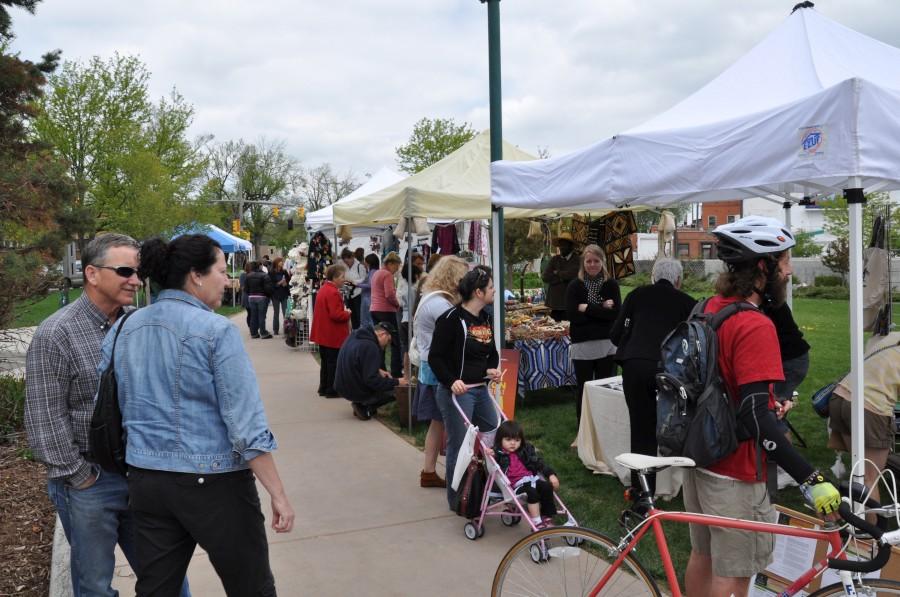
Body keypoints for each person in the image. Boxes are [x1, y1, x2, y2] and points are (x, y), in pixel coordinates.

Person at [99, 234, 294, 595]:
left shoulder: (125, 328)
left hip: (147, 479)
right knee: (251, 586)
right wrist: (278, 493)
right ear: (196, 276)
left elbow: (110, 397)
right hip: (214, 481)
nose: (228, 280)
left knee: (157, 589)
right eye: (221, 271)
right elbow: (246, 424)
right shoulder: (215, 330)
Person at [683, 216, 840, 597]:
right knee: (733, 572)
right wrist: (811, 479)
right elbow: (753, 415)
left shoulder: (707, 307)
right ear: (763, 268)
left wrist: (766, 406)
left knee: (702, 555)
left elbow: (725, 385)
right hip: (735, 468)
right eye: (784, 261)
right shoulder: (755, 325)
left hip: (700, 456)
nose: (789, 271)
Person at [24, 234, 188, 597]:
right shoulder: (56, 334)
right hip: (89, 482)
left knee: (168, 578)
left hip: (142, 476)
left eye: (139, 271)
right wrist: (81, 478)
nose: (136, 279)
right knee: (95, 587)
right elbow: (44, 419)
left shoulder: (139, 324)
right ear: (92, 274)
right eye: (125, 270)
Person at [610, 257, 696, 499]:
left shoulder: (636, 295)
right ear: (678, 280)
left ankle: (642, 491)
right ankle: (679, 483)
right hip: (669, 370)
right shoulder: (687, 302)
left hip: (635, 365)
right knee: (674, 428)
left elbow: (616, 335)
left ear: (653, 276)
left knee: (641, 430)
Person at [429, 268, 502, 510]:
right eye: (490, 287)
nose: (494, 290)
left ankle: (491, 486)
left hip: (480, 390)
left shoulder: (486, 317)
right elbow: (436, 358)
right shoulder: (450, 319)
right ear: (478, 292)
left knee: (494, 432)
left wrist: (492, 369)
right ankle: (456, 498)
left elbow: (492, 353)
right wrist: (451, 381)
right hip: (457, 393)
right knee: (460, 445)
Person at [412, 255, 468, 488]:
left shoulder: (431, 298)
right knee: (449, 424)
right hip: (437, 371)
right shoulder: (441, 305)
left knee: (438, 423)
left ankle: (429, 471)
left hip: (429, 367)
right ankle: (449, 475)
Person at [828, 330, 900, 505]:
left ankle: (854, 524)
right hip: (870, 405)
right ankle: (868, 531)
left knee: (859, 470)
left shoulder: (893, 336)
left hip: (841, 396)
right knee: (869, 477)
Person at [565, 244, 621, 426]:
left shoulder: (611, 284)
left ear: (602, 262)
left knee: (606, 387)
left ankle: (605, 425)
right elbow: (572, 316)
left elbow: (615, 315)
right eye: (588, 261)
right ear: (583, 263)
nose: (592, 264)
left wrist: (587, 308)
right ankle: (584, 427)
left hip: (606, 344)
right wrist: (601, 309)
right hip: (583, 345)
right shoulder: (575, 286)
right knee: (585, 388)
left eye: (596, 261)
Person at [493, 420, 560, 528]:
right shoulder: (499, 454)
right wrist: (492, 454)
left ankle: (546, 516)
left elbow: (538, 462)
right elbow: (494, 457)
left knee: (547, 486)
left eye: (517, 440)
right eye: (508, 439)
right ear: (500, 440)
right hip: (517, 486)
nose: (513, 443)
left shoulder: (524, 452)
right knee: (531, 493)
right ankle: (537, 522)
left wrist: (551, 474)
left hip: (531, 479)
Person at [334, 322, 407, 420]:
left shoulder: (356, 335)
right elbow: (372, 380)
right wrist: (398, 381)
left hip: (341, 385)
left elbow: (357, 360)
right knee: (394, 390)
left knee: (383, 378)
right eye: (389, 340)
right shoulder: (371, 347)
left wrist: (377, 369)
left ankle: (361, 401)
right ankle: (364, 405)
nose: (388, 345)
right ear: (382, 334)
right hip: (352, 388)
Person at [310, 264, 351, 398]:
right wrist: (347, 313)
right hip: (332, 334)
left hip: (324, 333)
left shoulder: (324, 289)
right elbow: (336, 314)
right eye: (342, 277)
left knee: (326, 362)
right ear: (334, 278)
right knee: (333, 362)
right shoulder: (333, 292)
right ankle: (331, 389)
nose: (344, 279)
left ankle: (324, 387)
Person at [370, 251, 403, 377]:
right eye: (396, 265)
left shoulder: (376, 273)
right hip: (386, 310)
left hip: (374, 309)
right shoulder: (387, 274)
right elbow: (389, 294)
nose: (397, 269)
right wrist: (397, 304)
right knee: (394, 342)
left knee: (379, 341)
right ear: (390, 263)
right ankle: (396, 372)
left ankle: (379, 368)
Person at [541, 231, 580, 322]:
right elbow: (545, 277)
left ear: (571, 246)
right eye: (560, 245)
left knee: (567, 331)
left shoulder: (577, 259)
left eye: (564, 245)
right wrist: (562, 278)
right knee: (554, 331)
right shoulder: (555, 259)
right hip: (554, 305)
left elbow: (573, 275)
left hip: (569, 304)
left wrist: (557, 272)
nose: (561, 247)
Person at [397, 263, 423, 377]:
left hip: (404, 319)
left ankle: (406, 375)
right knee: (415, 348)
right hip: (412, 321)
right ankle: (414, 374)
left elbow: (402, 304)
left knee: (406, 349)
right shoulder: (412, 290)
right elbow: (414, 307)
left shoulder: (403, 288)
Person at [245, 260, 273, 339]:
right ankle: (263, 332)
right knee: (261, 316)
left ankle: (254, 333)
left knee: (253, 315)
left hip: (251, 297)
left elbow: (246, 289)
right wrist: (268, 295)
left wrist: (250, 293)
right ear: (260, 266)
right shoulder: (264, 275)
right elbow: (268, 288)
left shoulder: (248, 276)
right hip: (261, 297)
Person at [341, 248, 366, 329]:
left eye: (347, 261)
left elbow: (364, 280)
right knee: (351, 316)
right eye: (345, 262)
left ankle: (360, 332)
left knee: (359, 316)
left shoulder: (360, 266)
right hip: (348, 294)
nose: (347, 263)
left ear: (352, 258)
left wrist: (353, 282)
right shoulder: (344, 267)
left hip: (358, 294)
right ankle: (355, 332)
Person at [268, 256, 292, 335]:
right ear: (276, 263)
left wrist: (286, 284)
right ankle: (276, 330)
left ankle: (286, 329)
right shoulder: (271, 272)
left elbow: (289, 281)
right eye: (280, 261)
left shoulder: (284, 271)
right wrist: (279, 283)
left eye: (282, 261)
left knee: (285, 313)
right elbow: (271, 284)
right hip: (275, 295)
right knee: (276, 313)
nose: (282, 263)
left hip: (284, 294)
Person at [358, 253, 379, 329]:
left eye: (365, 261)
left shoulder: (372, 272)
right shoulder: (374, 271)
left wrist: (357, 284)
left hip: (368, 299)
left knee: (367, 320)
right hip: (368, 298)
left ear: (369, 262)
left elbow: (370, 285)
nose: (364, 263)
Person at [239, 259, 253, 331]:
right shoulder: (245, 275)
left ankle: (251, 327)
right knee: (251, 312)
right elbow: (242, 287)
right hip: (248, 295)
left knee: (250, 313)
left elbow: (242, 287)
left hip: (246, 295)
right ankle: (251, 327)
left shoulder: (243, 275)